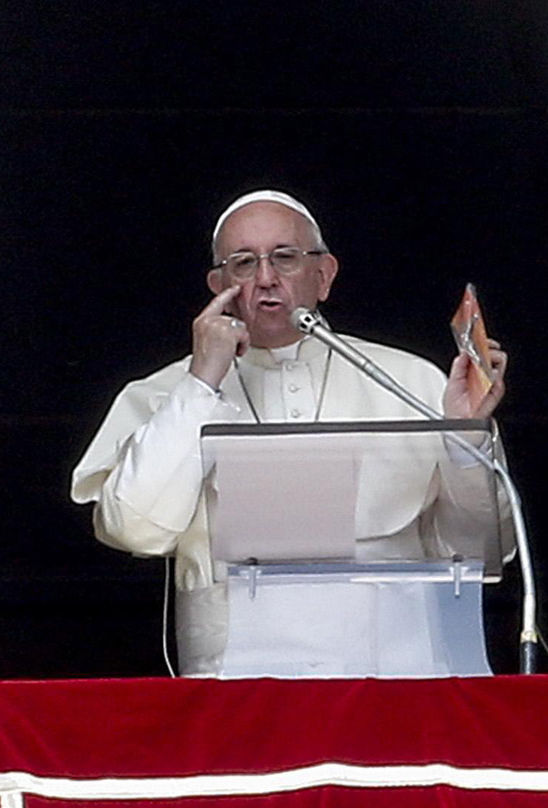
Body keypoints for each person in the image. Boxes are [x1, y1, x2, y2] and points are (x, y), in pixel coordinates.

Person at [71, 190, 509, 674]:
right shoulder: (162, 394)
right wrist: (200, 385)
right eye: (242, 263)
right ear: (217, 284)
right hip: (234, 692)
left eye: (285, 258)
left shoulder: (411, 382)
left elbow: (480, 548)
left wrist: (465, 435)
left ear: (324, 276)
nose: (265, 278)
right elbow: (133, 529)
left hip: (396, 682)